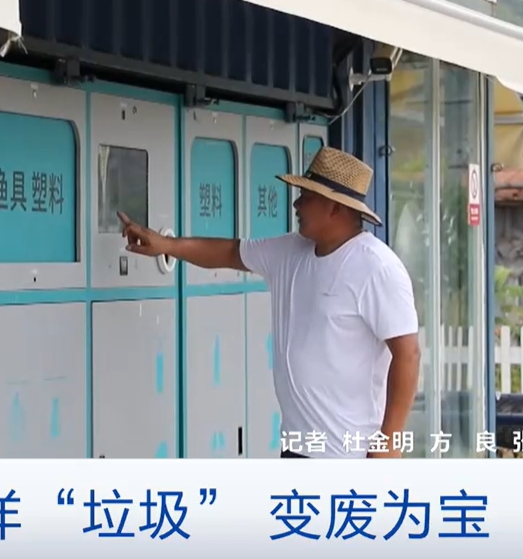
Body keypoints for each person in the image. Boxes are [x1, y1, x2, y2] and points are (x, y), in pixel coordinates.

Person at [118, 146, 420, 459]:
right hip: (298, 450)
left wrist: (389, 444)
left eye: (306, 196)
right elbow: (230, 252)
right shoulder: (290, 252)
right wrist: (166, 245)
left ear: (335, 208)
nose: (296, 204)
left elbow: (408, 355)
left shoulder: (376, 267)